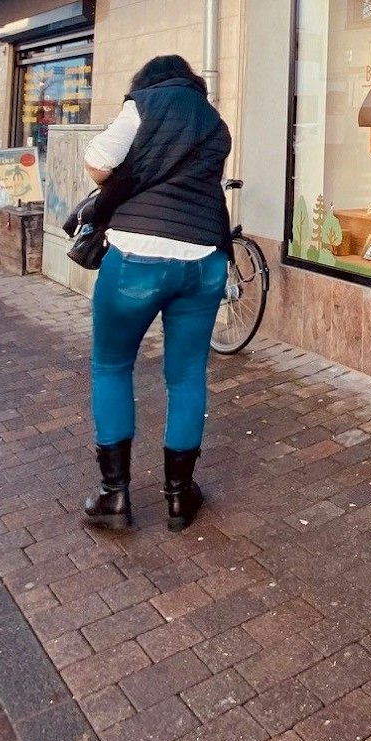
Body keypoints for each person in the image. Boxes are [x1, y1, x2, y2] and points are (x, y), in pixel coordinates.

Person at [78, 54, 231, 532]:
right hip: (205, 257)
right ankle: (180, 499)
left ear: (147, 81)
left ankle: (114, 498)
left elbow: (98, 164)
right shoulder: (215, 121)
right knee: (186, 377)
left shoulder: (142, 105)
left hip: (137, 257)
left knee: (111, 365)